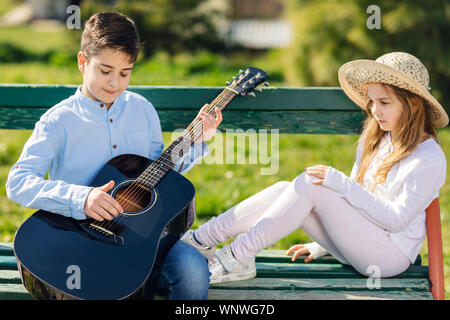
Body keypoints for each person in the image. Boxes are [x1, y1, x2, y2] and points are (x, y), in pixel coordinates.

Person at [6, 12, 223, 299]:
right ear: (83, 62)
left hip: (142, 238)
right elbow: (18, 182)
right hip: (77, 235)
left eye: (125, 73)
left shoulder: (142, 110)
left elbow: (158, 173)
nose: (114, 83)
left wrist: (196, 140)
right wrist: (81, 199)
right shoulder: (58, 121)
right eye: (105, 70)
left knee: (193, 270)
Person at [181, 52, 448, 284]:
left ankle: (236, 257)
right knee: (287, 189)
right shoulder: (376, 137)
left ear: (413, 104)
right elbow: (353, 201)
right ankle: (200, 240)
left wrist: (338, 182)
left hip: (389, 256)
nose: (375, 111)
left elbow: (395, 219)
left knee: (312, 186)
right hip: (362, 243)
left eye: (384, 103)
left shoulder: (428, 157)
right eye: (372, 101)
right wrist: (323, 246)